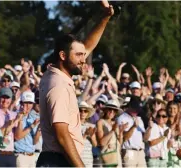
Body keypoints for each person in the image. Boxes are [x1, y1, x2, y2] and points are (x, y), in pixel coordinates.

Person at [37, 3, 114, 167]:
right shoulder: (58, 85)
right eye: (78, 55)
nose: (83, 59)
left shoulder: (55, 74)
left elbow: (87, 46)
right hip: (57, 161)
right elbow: (62, 133)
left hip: (57, 159)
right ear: (63, 55)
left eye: (83, 55)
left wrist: (105, 18)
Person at [117, 96, 147, 167]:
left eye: (137, 109)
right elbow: (124, 138)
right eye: (134, 109)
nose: (136, 111)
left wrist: (149, 129)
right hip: (129, 151)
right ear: (129, 106)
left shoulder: (139, 118)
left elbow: (144, 138)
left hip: (140, 152)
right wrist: (133, 127)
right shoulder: (122, 118)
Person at [14, 91, 40, 167]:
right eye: (26, 103)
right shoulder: (16, 116)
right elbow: (17, 136)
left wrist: (39, 129)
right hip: (20, 156)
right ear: (21, 103)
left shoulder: (33, 118)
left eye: (30, 103)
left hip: (32, 156)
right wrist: (32, 126)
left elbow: (34, 142)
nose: (28, 106)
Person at [96, 99, 125, 167]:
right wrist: (112, 131)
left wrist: (121, 132)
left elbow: (120, 143)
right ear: (105, 110)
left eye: (114, 110)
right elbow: (101, 142)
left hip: (116, 155)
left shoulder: (115, 123)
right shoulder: (100, 122)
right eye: (110, 109)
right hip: (107, 155)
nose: (112, 112)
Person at [79, 101, 97, 167]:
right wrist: (85, 135)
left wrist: (92, 136)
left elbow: (95, 144)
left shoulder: (91, 126)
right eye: (80, 110)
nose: (83, 113)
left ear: (87, 113)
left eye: (85, 111)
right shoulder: (72, 126)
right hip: (77, 156)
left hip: (88, 157)